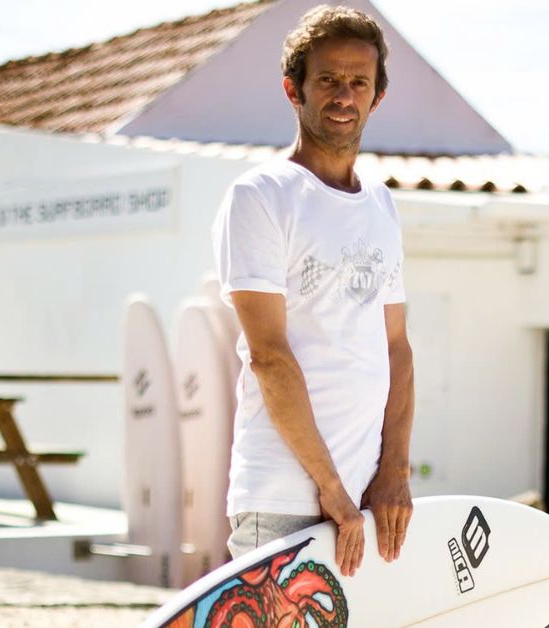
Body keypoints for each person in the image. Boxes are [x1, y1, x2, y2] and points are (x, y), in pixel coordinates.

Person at [210, 5, 413, 578]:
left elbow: (396, 347)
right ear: (292, 89)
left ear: (377, 96)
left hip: (367, 501)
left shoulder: (381, 203)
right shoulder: (261, 195)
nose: (343, 96)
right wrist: (331, 490)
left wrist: (394, 472)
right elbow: (269, 356)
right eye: (327, 79)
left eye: (358, 83)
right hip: (283, 498)